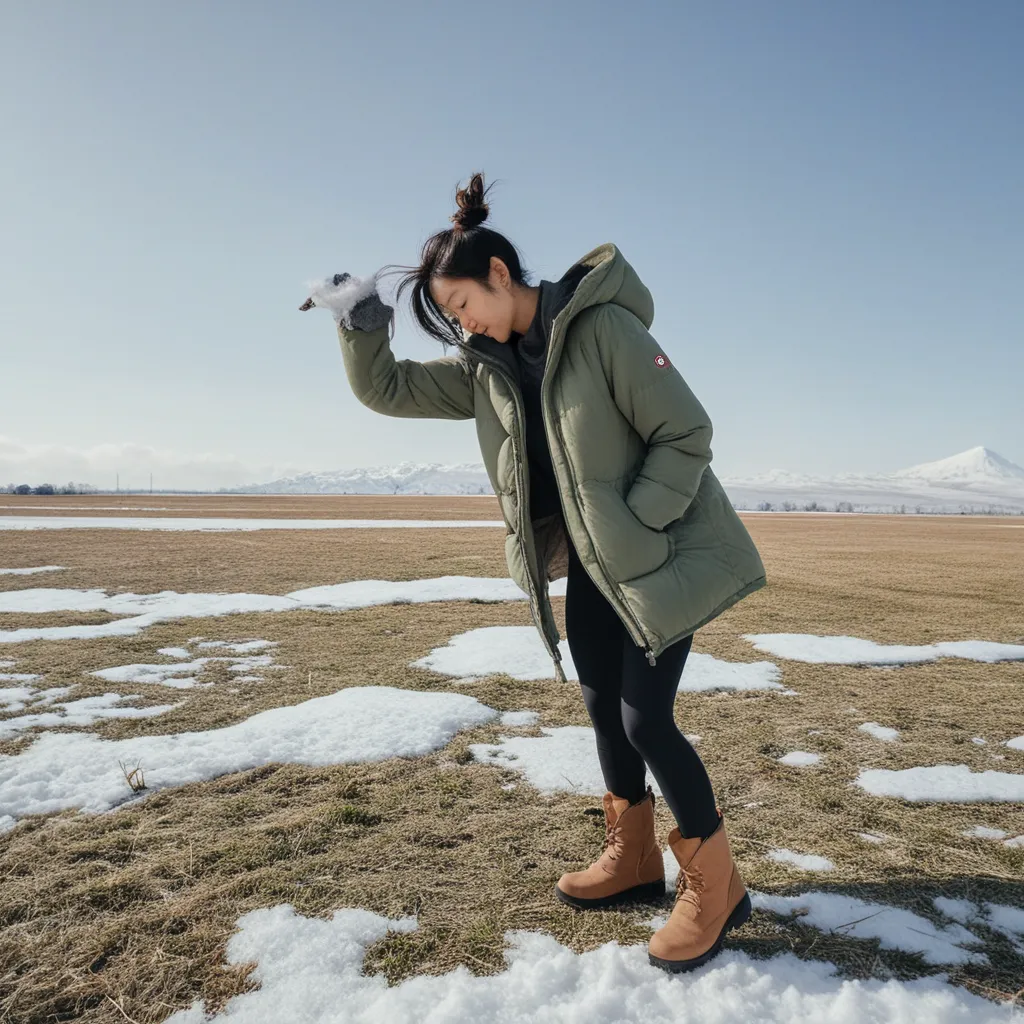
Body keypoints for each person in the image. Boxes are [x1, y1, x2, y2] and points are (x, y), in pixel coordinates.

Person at [302, 171, 766, 974]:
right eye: (449, 317)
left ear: (500, 276)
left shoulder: (604, 329)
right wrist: (360, 320)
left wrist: (635, 524)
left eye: (460, 305)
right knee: (599, 703)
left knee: (644, 721)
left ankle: (717, 887)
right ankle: (633, 860)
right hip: (593, 569)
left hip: (656, 561)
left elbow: (686, 432)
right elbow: (388, 388)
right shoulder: (486, 371)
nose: (460, 323)